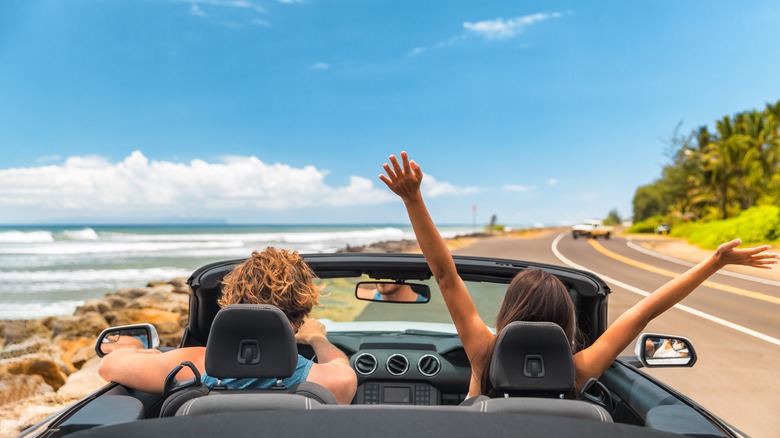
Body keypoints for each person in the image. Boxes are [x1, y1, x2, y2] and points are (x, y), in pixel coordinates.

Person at [380, 151, 778, 398]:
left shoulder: (484, 354)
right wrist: (715, 263)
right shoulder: (578, 370)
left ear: (508, 312)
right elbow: (645, 311)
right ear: (567, 322)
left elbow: (445, 275)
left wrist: (413, 200)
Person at [98, 247, 357, 404]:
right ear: (301, 317)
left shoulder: (193, 365)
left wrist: (148, 352)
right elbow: (340, 365)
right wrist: (317, 339)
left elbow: (109, 365)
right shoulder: (333, 381)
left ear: (232, 303)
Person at [356, 282, 426, 302]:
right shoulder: (362, 295)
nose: (381, 278)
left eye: (389, 273)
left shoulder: (425, 303)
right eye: (376, 273)